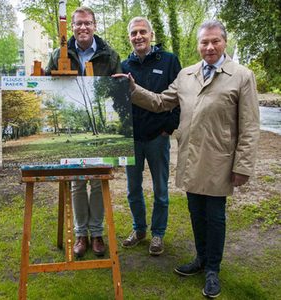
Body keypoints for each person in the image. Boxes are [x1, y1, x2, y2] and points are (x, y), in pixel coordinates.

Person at [115, 20, 260, 298]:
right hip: (192, 156)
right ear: (198, 45)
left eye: (215, 41)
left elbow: (250, 126)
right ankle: (201, 259)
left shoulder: (242, 76)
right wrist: (133, 90)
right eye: (204, 42)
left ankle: (213, 270)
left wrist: (243, 165)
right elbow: (160, 102)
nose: (209, 47)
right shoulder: (186, 75)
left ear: (224, 42)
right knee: (195, 212)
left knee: (214, 216)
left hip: (220, 159)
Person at [46, 6, 121, 258]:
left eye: (87, 23)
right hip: (73, 120)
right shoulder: (59, 54)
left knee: (98, 181)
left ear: (95, 25)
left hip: (98, 123)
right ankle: (80, 234)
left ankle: (97, 233)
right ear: (72, 27)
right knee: (77, 182)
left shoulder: (109, 55)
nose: (82, 28)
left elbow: (116, 93)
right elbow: (48, 86)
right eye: (78, 24)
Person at [121, 17, 181, 256]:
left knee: (160, 189)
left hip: (158, 137)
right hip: (132, 139)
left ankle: (158, 234)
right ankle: (139, 230)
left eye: (142, 32)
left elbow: (179, 97)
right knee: (132, 189)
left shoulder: (168, 61)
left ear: (151, 34)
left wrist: (170, 126)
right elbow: (118, 102)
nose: (138, 36)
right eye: (134, 33)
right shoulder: (125, 66)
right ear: (130, 38)